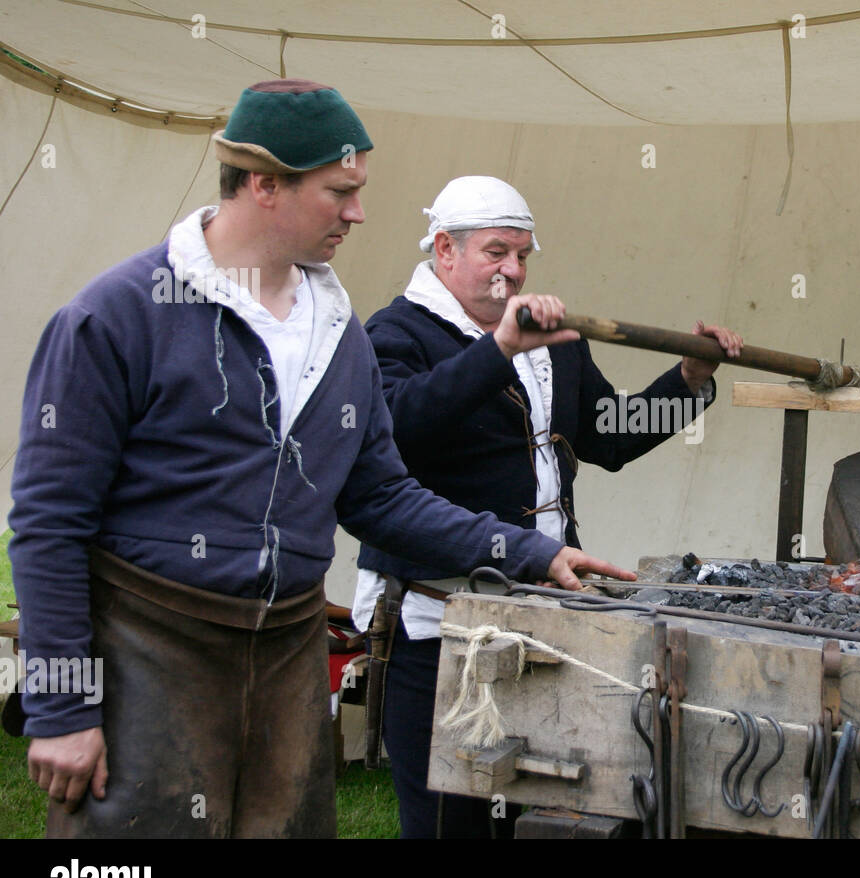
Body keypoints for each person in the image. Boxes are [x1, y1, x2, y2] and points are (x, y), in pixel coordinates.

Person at [9, 82, 631, 839]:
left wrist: (533, 551)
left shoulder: (339, 335)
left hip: (288, 658)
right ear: (266, 184)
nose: (358, 212)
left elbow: (381, 496)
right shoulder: (118, 316)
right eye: (341, 191)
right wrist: (62, 707)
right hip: (150, 654)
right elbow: (48, 523)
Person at [352, 175, 742, 837]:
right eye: (496, 252)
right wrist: (498, 349)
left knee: (522, 804)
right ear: (444, 249)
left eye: (524, 255)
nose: (514, 269)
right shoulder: (394, 333)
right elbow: (398, 426)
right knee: (450, 821)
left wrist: (687, 381)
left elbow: (609, 437)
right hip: (436, 623)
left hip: (539, 614)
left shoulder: (556, 340)